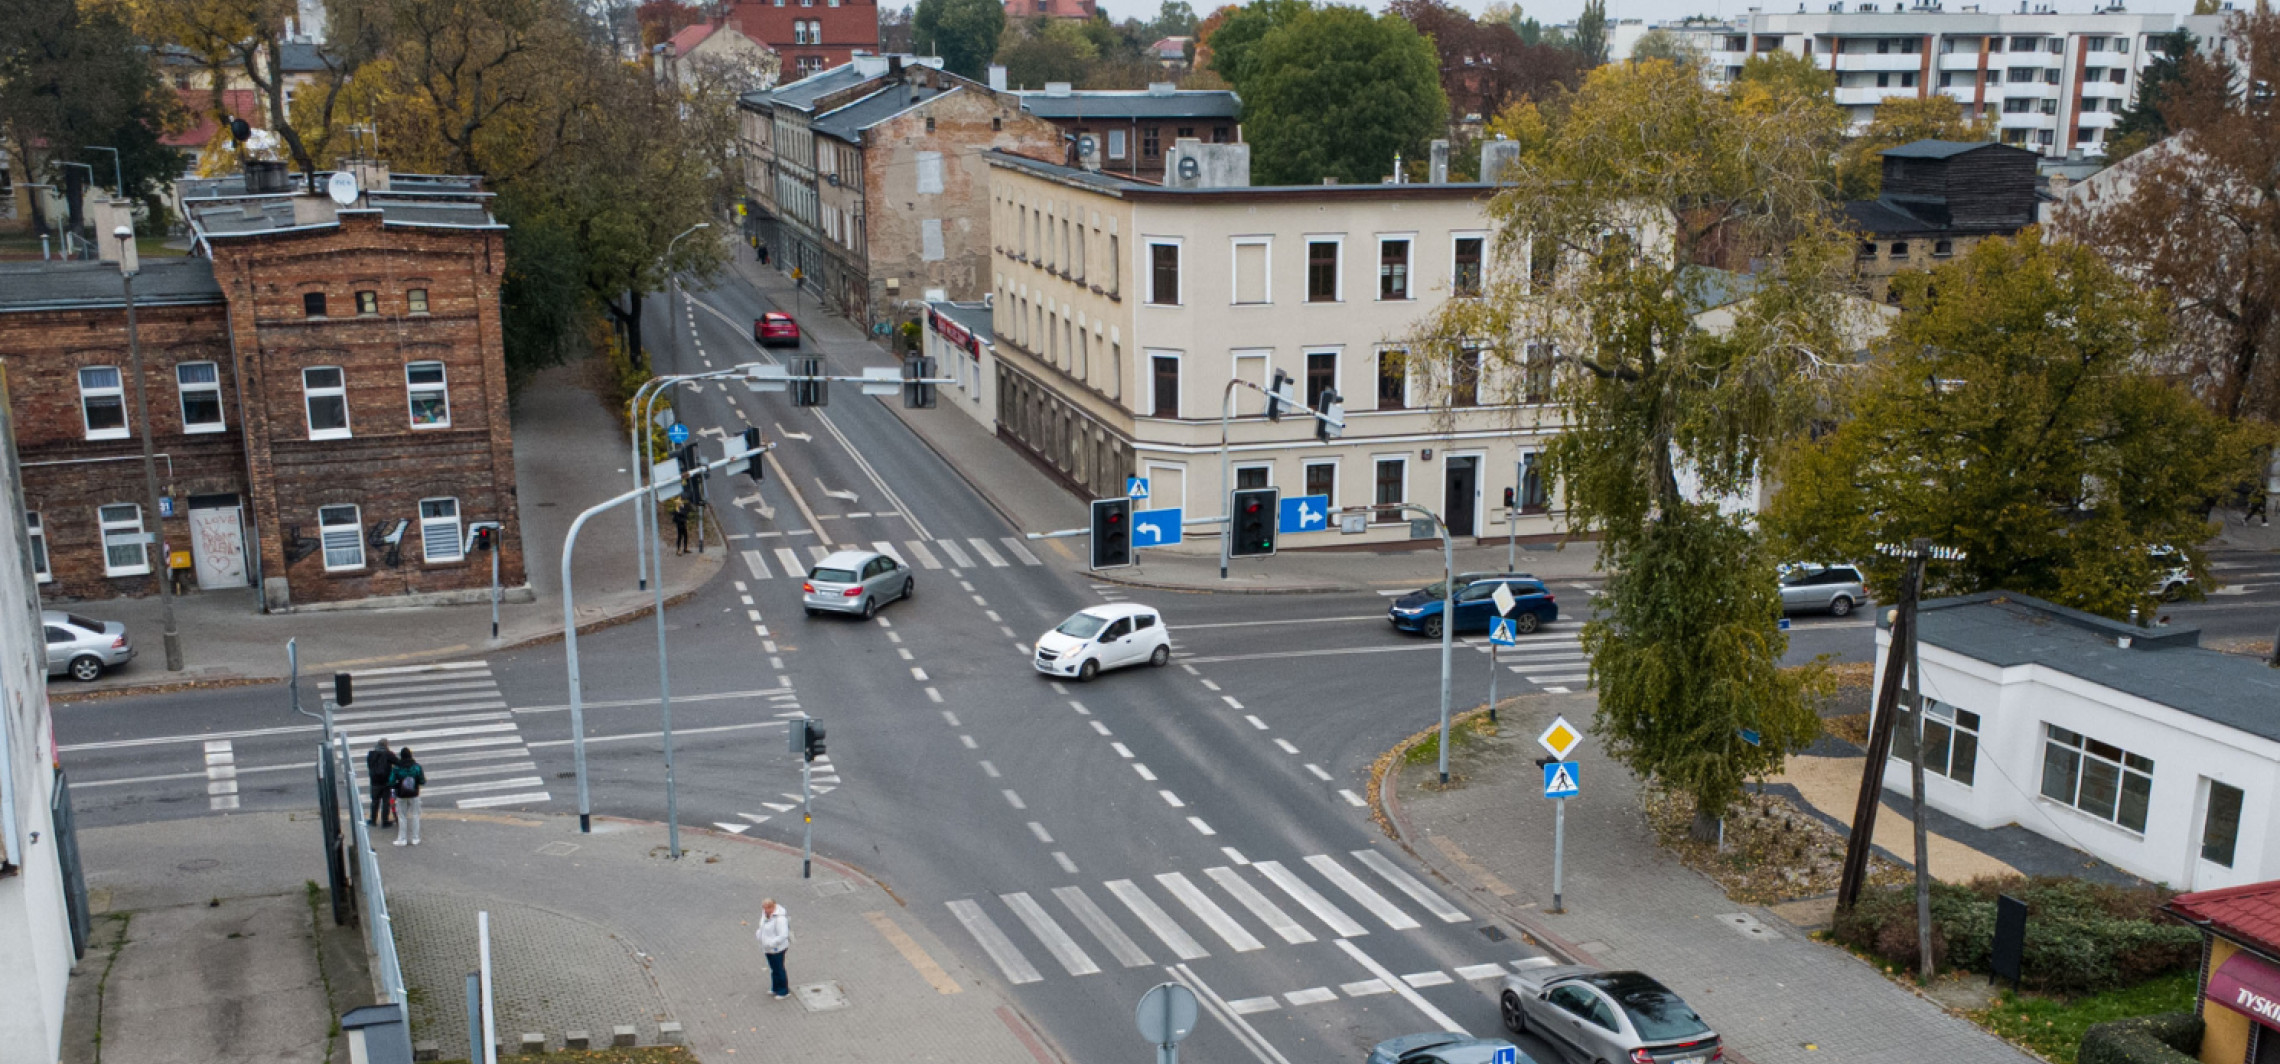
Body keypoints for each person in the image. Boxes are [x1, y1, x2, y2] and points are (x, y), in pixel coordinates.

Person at [389, 748, 426, 846]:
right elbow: (422, 781)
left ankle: (402, 839)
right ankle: (415, 838)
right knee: (416, 815)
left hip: (401, 794)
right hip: (414, 794)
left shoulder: (397, 768)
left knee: (402, 816)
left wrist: (397, 785)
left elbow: (391, 781)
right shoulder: (416, 767)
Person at [755, 898, 791, 999]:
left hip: (777, 948)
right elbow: (762, 927)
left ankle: (783, 991)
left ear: (773, 907)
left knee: (779, 969)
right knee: (773, 968)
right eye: (764, 908)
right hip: (767, 947)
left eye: (767, 908)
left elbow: (783, 935)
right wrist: (759, 934)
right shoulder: (765, 914)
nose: (765, 910)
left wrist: (771, 943)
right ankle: (775, 987)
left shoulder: (780, 919)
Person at [364, 739, 396, 827]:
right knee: (386, 802)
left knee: (374, 801)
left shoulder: (371, 754)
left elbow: (369, 765)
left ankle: (373, 820)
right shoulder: (389, 754)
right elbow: (397, 762)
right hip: (386, 782)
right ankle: (385, 821)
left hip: (374, 781)